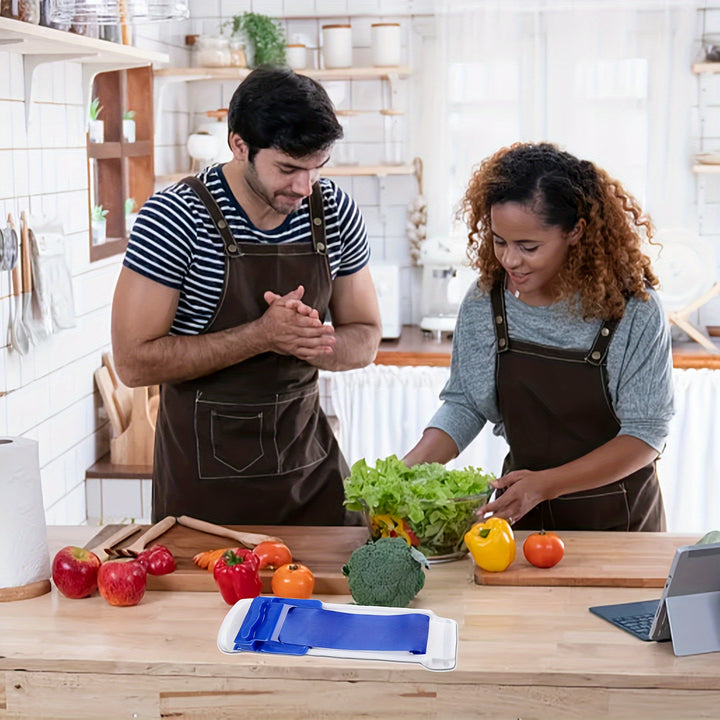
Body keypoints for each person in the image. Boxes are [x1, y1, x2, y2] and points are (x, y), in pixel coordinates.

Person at [111, 66, 382, 526]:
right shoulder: (175, 217)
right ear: (239, 145)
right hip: (204, 497)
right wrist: (261, 335)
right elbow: (133, 363)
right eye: (288, 168)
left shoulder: (333, 210)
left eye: (317, 168)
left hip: (310, 479)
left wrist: (309, 341)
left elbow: (367, 336)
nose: (305, 187)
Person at [403, 142, 673, 531]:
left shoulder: (633, 310)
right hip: (522, 514)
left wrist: (546, 485)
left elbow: (645, 435)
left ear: (576, 231)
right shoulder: (486, 302)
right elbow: (466, 403)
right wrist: (406, 471)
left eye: (528, 247)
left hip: (622, 522)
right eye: (499, 241)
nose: (510, 260)